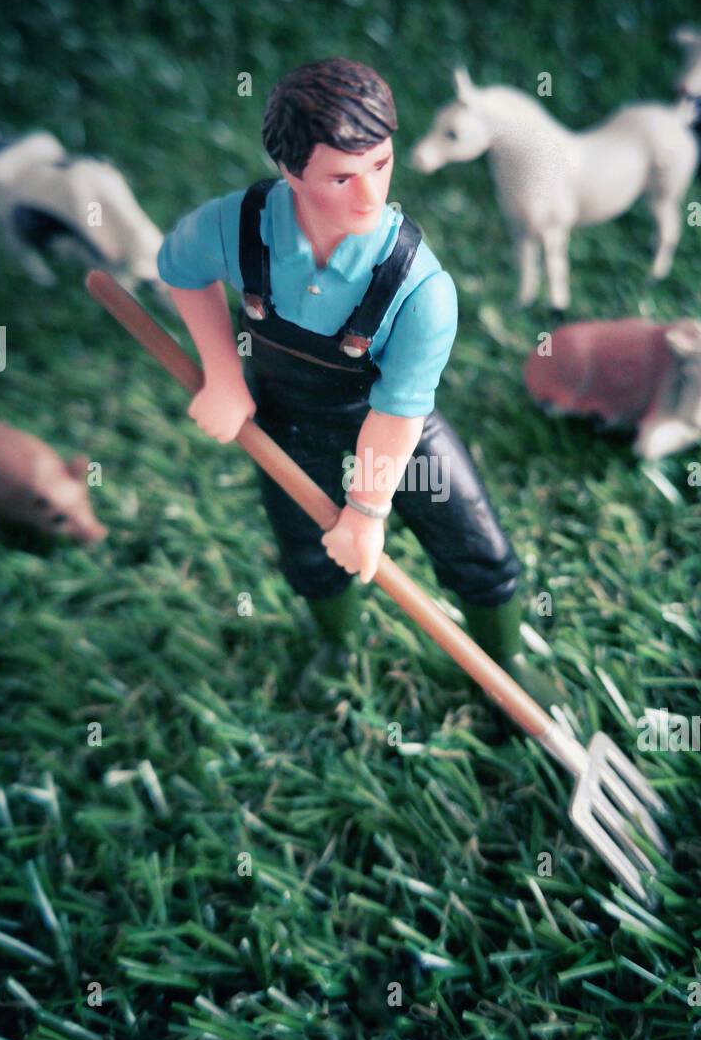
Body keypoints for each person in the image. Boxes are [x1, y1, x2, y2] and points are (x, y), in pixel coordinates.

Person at [157, 56, 559, 709]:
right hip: (286, 418)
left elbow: (397, 415)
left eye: (380, 165)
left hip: (392, 425)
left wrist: (367, 511)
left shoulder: (421, 290)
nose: (370, 196)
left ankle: (504, 658)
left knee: (474, 542)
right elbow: (179, 265)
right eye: (342, 177)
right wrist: (224, 376)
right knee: (307, 551)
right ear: (291, 172)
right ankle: (337, 646)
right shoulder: (239, 225)